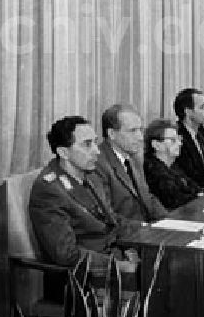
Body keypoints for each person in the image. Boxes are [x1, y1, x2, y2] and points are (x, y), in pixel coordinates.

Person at [28, 116, 139, 274]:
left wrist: (146, 230)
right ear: (63, 152)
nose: (97, 150)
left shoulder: (90, 175)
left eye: (95, 142)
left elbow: (110, 219)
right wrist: (119, 266)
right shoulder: (50, 191)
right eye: (87, 144)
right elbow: (66, 254)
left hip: (116, 256)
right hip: (86, 277)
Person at [95, 104, 168, 222]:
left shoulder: (132, 157)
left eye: (140, 130)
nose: (140, 137)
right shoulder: (98, 163)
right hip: (125, 235)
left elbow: (148, 197)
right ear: (112, 134)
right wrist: (144, 229)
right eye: (132, 131)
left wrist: (168, 221)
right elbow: (107, 215)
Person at [142, 118, 202, 210]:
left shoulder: (173, 165)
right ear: (156, 145)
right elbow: (174, 200)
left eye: (179, 139)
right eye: (173, 140)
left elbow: (194, 187)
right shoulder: (152, 170)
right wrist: (197, 195)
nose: (179, 144)